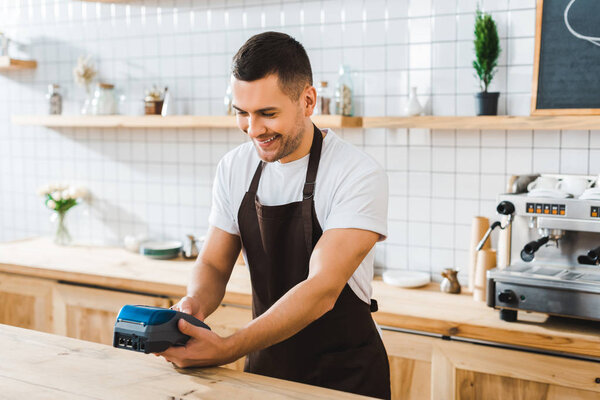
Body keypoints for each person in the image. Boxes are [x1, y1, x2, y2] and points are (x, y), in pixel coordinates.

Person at [158, 31, 391, 399]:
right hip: (265, 372)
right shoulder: (235, 167)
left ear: (308, 100)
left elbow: (321, 290)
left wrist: (228, 347)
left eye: (267, 113)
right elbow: (215, 264)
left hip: (346, 380)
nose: (253, 130)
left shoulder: (357, 173)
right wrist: (194, 306)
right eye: (243, 114)